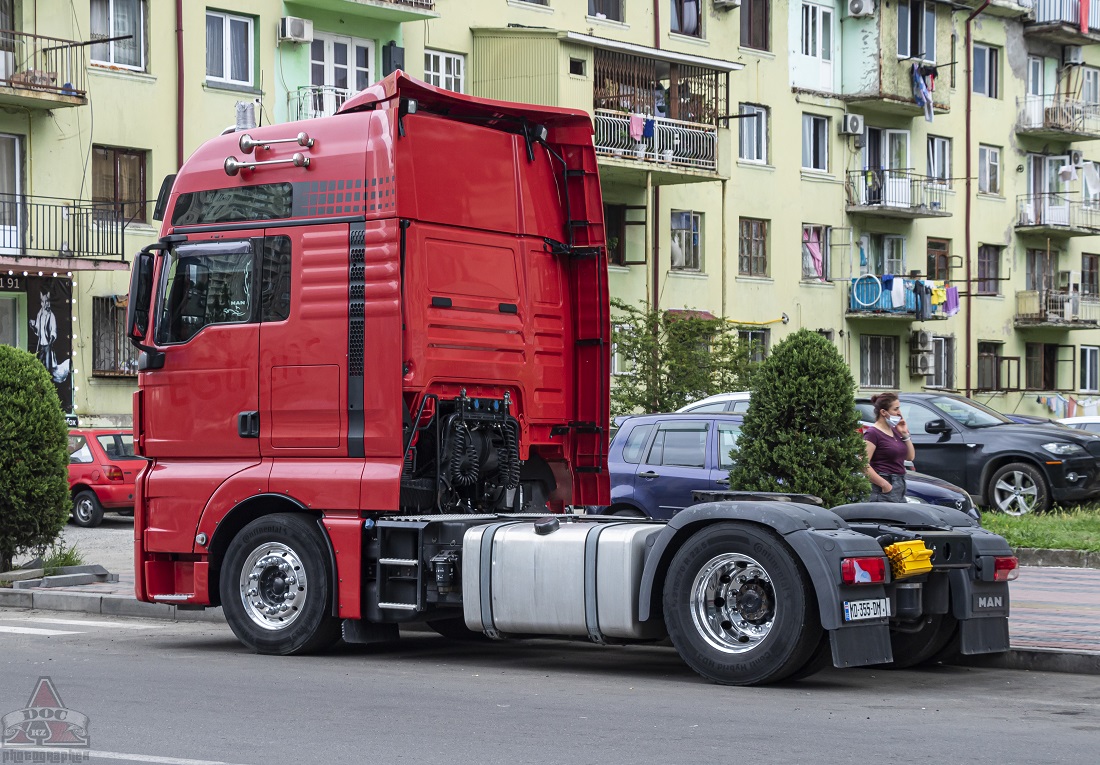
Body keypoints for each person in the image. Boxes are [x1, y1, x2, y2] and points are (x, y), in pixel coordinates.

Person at [863, 392, 915, 503]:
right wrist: (885, 485)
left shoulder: (896, 430)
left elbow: (910, 457)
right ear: (883, 412)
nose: (899, 413)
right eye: (895, 409)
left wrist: (905, 434)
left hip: (900, 484)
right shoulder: (873, 433)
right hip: (884, 487)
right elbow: (863, 463)